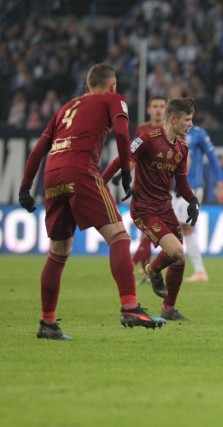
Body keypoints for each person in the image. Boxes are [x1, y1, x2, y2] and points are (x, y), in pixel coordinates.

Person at [18, 63, 167, 339]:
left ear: (87, 87)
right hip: (81, 170)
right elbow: (123, 134)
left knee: (58, 251)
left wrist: (25, 187)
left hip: (52, 175)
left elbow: (39, 148)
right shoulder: (114, 99)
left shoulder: (65, 107)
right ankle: (130, 306)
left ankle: (47, 323)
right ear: (112, 85)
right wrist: (125, 169)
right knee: (119, 237)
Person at [103, 97, 200, 321]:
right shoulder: (147, 139)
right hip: (144, 210)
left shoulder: (182, 147)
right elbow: (123, 158)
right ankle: (153, 269)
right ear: (174, 119)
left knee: (180, 259)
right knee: (175, 252)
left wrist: (192, 200)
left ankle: (168, 309)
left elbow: (182, 182)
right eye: (187, 119)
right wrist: (101, 181)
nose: (190, 124)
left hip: (165, 208)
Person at [172, 123, 223, 283]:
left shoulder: (198, 134)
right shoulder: (172, 131)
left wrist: (220, 184)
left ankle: (190, 270)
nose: (188, 120)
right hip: (175, 189)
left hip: (192, 188)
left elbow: (212, 158)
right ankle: (198, 271)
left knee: (179, 227)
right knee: (182, 229)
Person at [129, 95, 168, 285]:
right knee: (147, 232)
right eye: (155, 106)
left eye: (162, 106)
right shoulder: (142, 130)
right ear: (149, 110)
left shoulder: (170, 129)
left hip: (163, 190)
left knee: (149, 233)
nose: (159, 109)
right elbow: (133, 156)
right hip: (143, 188)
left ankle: (136, 268)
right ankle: (137, 268)